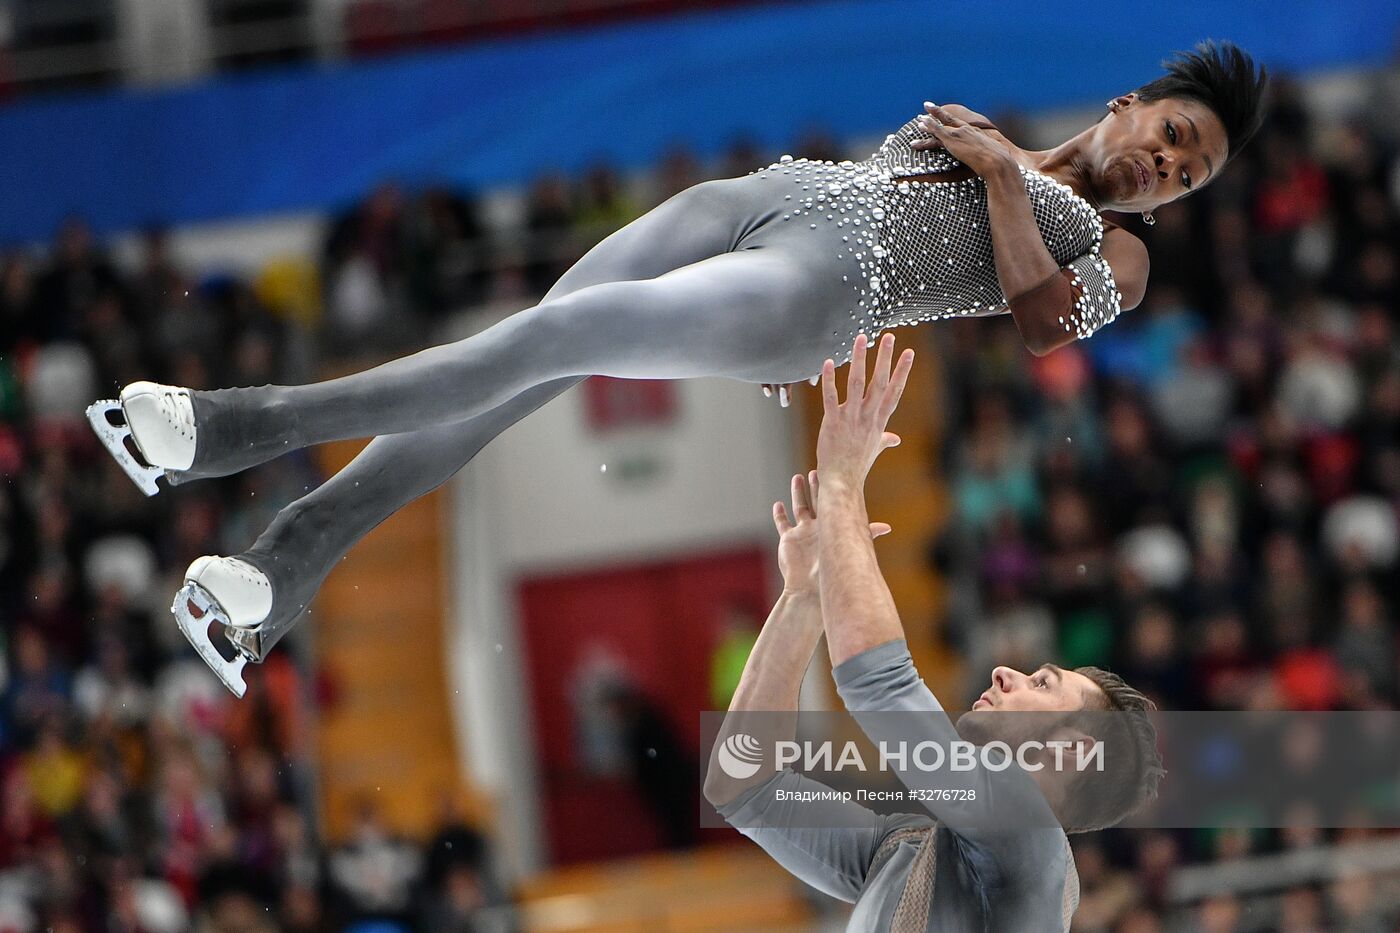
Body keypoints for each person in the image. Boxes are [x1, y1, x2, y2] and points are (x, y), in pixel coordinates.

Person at [87, 44, 1266, 694]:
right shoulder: (988, 136)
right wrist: (994, 161)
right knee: (517, 368)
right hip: (758, 203)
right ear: (1127, 104)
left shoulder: (1113, 249)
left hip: (811, 293)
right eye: (1171, 134)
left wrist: (1006, 182)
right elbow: (888, 188)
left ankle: (236, 424)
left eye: (1191, 173)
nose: (1168, 166)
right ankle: (278, 576)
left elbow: (1045, 324)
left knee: (541, 345)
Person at [705, 334, 1163, 931]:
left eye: (1043, 683)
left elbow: (882, 688)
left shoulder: (1032, 844)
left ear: (1073, 751)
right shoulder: (911, 844)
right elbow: (744, 787)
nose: (1006, 671)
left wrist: (843, 480)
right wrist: (802, 598)